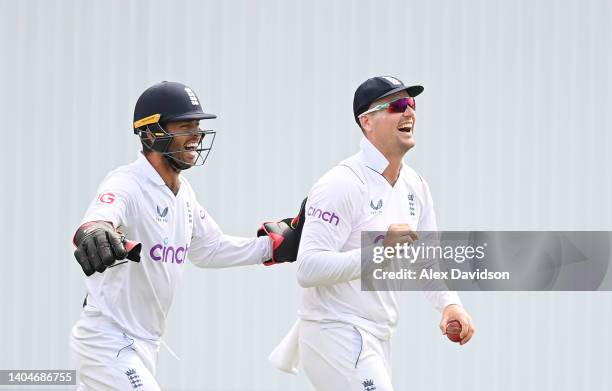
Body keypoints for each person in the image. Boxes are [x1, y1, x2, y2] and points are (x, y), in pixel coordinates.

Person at [70, 81, 304, 390]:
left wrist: (272, 247)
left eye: (197, 126)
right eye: (185, 126)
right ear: (150, 133)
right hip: (107, 340)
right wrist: (96, 230)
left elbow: (210, 249)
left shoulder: (184, 195)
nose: (196, 135)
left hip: (144, 343)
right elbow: (101, 215)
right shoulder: (127, 183)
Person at [269, 76, 475, 390]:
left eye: (411, 104)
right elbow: (308, 269)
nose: (409, 112)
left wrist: (450, 304)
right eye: (397, 105)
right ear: (366, 121)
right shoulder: (342, 183)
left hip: (377, 337)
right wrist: (380, 251)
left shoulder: (415, 186)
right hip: (333, 331)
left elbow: (427, 260)